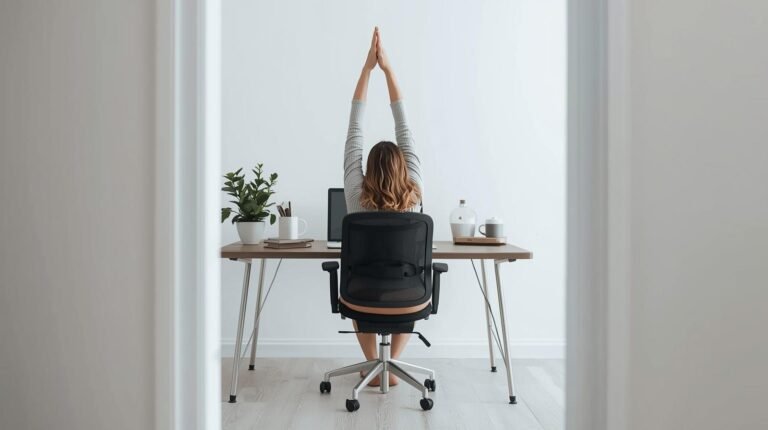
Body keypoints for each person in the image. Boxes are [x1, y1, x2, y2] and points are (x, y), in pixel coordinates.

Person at [342, 27, 425, 387]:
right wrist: (389, 70)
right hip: (411, 297)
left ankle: (374, 364)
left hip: (360, 296)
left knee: (358, 281)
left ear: (367, 169)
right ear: (405, 167)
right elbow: (404, 128)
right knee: (415, 278)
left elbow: (354, 129)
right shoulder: (415, 192)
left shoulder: (355, 196)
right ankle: (392, 366)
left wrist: (367, 69)